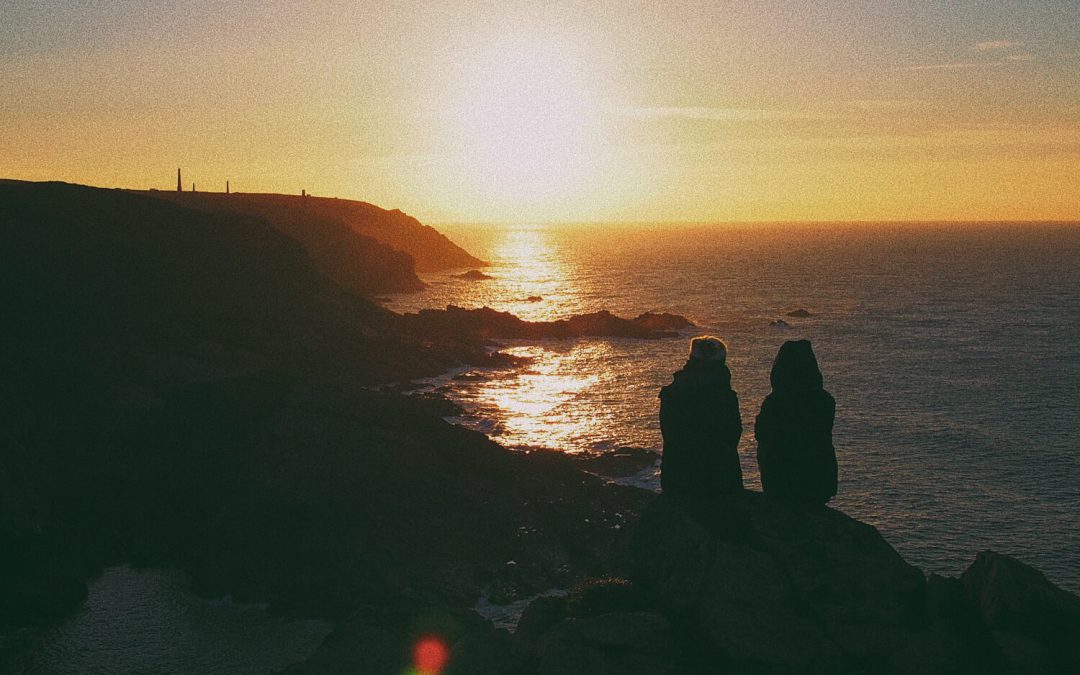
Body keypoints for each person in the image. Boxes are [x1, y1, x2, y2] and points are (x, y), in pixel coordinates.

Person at [659, 336, 744, 510]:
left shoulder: (673, 392)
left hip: (678, 479)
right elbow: (732, 435)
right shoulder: (724, 397)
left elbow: (670, 435)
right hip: (720, 479)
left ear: (691, 358)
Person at [754, 340, 837, 505]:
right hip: (817, 481)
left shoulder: (775, 402)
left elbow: (761, 433)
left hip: (782, 481)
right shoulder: (825, 400)